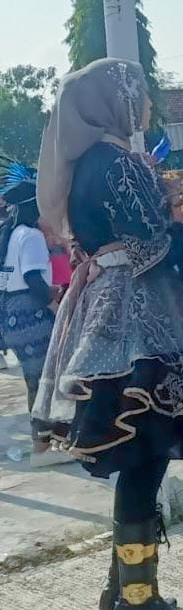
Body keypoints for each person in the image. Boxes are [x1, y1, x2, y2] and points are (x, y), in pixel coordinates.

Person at [31, 59, 183, 610]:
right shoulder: (122, 162)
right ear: (115, 101)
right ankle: (136, 601)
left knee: (140, 454)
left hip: (104, 309)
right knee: (145, 456)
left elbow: (133, 235)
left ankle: (124, 592)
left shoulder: (84, 165)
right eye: (140, 95)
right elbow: (157, 251)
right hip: (141, 318)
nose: (147, 106)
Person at [0, 161, 61, 464]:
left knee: (35, 379)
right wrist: (55, 306)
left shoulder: (12, 235)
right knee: (44, 380)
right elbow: (35, 278)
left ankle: (44, 443)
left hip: (12, 314)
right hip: (31, 312)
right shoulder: (32, 236)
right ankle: (44, 446)